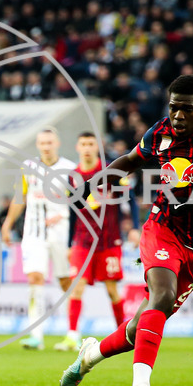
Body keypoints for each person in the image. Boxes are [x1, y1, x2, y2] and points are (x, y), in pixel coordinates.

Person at [59, 75, 193, 386]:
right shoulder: (160, 132)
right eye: (173, 108)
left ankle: (89, 356)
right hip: (162, 228)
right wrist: (91, 185)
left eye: (187, 109)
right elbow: (129, 160)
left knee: (142, 324)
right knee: (162, 295)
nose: (178, 116)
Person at [1, 127, 77, 350]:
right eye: (42, 143)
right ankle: (36, 335)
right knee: (35, 278)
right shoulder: (28, 167)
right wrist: (8, 224)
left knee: (65, 281)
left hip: (62, 232)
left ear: (57, 143)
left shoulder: (70, 170)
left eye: (49, 142)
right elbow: (20, 197)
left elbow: (79, 203)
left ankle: (72, 333)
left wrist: (63, 215)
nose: (46, 147)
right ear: (37, 145)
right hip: (33, 232)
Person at [67, 132, 138, 350]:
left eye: (91, 144)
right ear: (78, 147)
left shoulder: (111, 171)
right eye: (83, 144)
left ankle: (122, 334)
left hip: (108, 241)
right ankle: (72, 335)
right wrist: (69, 243)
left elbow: (131, 199)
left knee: (112, 290)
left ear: (97, 147)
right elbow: (72, 212)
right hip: (82, 241)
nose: (87, 148)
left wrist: (134, 227)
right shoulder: (73, 177)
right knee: (77, 286)